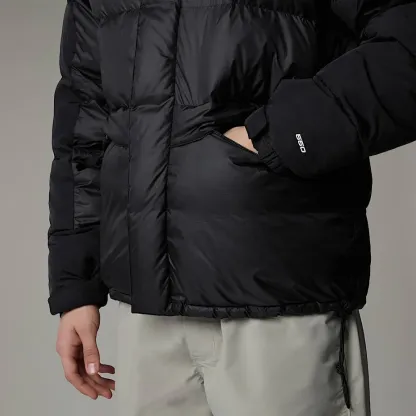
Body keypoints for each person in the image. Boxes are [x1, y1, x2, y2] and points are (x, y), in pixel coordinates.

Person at [48, 0, 416, 415]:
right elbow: (85, 121)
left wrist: (284, 134)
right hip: (147, 312)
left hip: (279, 297)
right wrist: (76, 285)